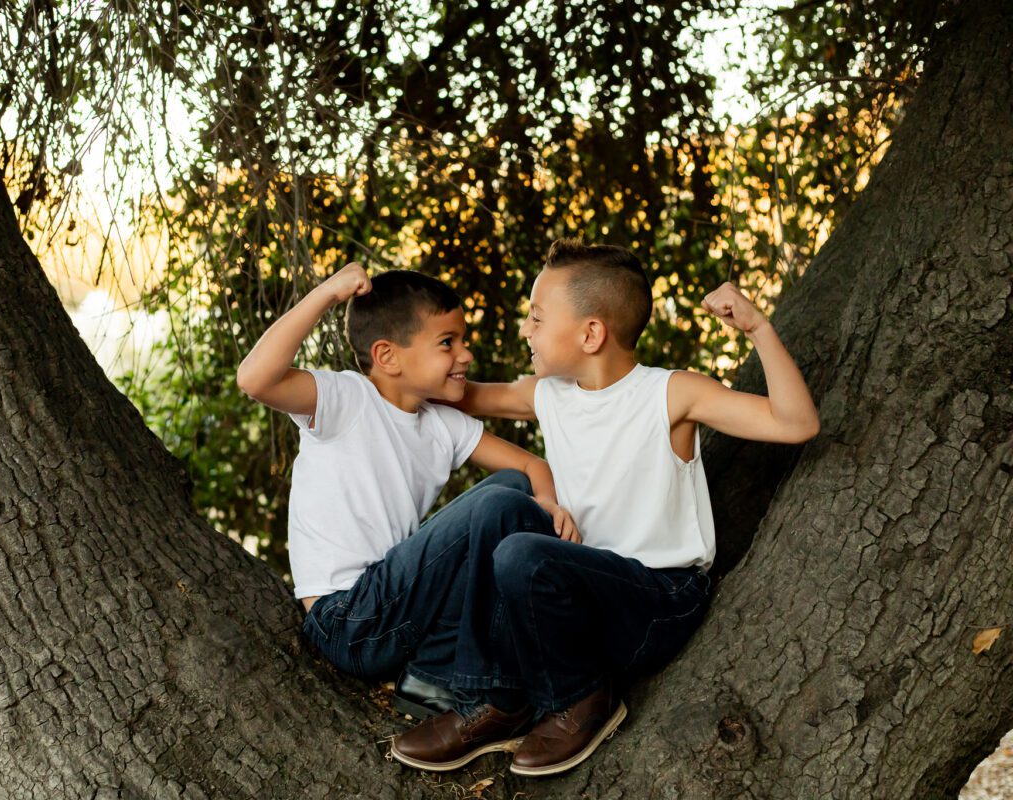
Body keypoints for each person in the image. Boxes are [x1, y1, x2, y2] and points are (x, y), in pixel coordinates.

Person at [391, 238, 820, 776]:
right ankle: (492, 701)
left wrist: (758, 328)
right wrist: (394, 365)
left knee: (524, 554)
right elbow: (458, 394)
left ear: (591, 333)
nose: (526, 329)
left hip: (657, 600)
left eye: (538, 317)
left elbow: (796, 423)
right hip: (577, 604)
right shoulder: (548, 394)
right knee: (501, 504)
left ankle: (582, 698)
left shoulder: (672, 393)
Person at [236, 262, 579, 769]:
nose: (465, 355)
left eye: (462, 341)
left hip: (401, 619)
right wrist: (327, 294)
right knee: (501, 501)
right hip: (347, 618)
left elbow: (532, 466)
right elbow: (254, 378)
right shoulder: (345, 399)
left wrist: (548, 506)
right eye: (448, 343)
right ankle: (483, 691)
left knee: (512, 497)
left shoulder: (443, 424)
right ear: (387, 356)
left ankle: (435, 674)